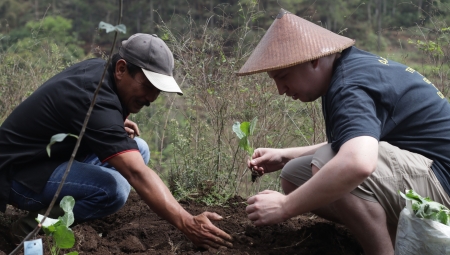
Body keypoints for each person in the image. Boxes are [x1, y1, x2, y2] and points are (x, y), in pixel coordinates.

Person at [238, 9, 450, 255]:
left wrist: (285, 207)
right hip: (430, 175)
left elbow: (358, 162)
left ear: (314, 60)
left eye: (283, 76)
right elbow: (358, 142)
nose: (280, 90)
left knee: (330, 163)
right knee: (295, 174)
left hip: (442, 184)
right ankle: (397, 236)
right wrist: (285, 155)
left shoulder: (348, 86)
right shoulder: (349, 68)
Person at [1, 33, 233, 249]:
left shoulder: (101, 73)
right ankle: (30, 229)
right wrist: (186, 222)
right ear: (122, 69)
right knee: (114, 188)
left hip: (49, 158)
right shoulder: (93, 96)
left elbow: (74, 115)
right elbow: (136, 174)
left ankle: (51, 213)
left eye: (158, 90)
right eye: (148, 86)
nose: (152, 98)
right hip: (19, 175)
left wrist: (106, 125)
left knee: (139, 149)